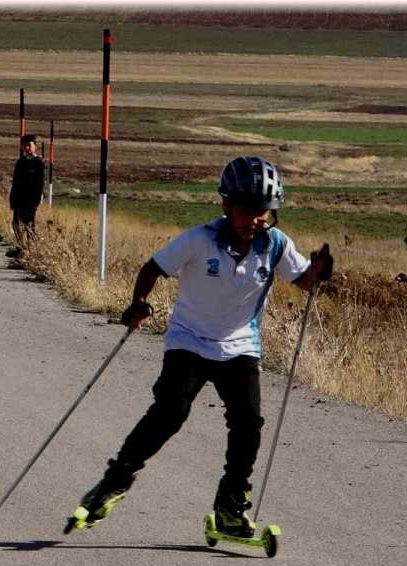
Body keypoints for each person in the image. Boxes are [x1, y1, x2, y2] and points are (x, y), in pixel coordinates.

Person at [66, 156, 334, 537]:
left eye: (262, 212)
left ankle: (230, 506)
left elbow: (305, 281)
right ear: (226, 205)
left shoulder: (275, 244)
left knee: (248, 424)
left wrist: (320, 271)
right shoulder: (199, 239)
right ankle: (115, 480)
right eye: (245, 211)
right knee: (171, 411)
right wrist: (138, 303)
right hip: (189, 339)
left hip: (239, 345)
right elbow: (153, 268)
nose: (254, 220)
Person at [7, 134, 45, 258]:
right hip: (19, 198)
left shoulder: (38, 162)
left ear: (35, 146)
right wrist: (12, 198)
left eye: (29, 145)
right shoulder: (21, 162)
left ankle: (31, 248)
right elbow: (15, 181)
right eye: (24, 145)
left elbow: (39, 183)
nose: (27, 148)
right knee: (16, 223)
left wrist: (36, 200)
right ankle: (20, 246)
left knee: (29, 223)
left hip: (31, 199)